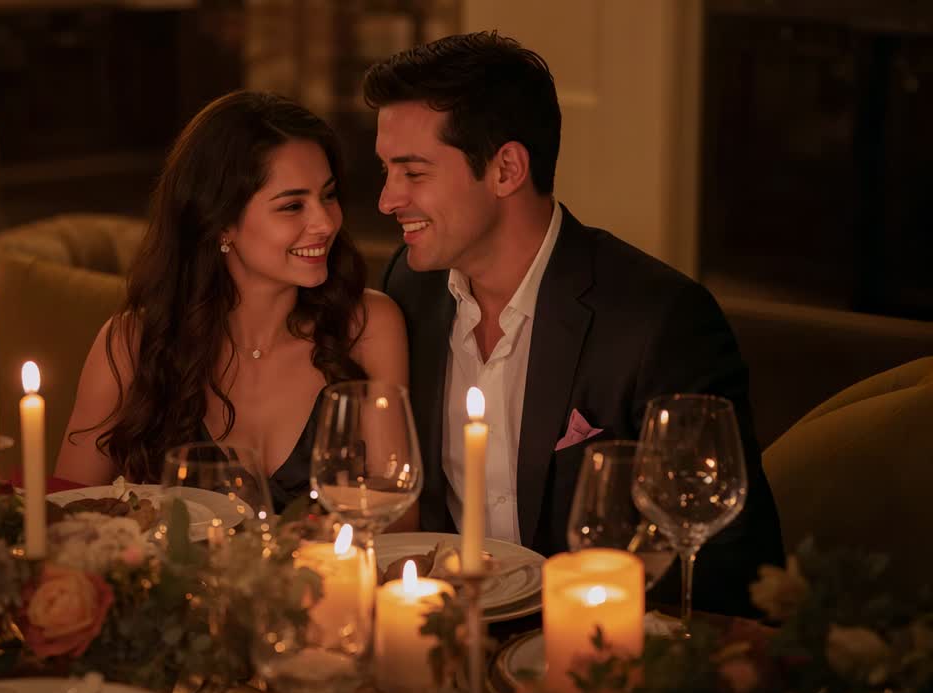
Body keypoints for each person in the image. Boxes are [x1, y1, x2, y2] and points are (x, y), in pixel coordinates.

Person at [366, 32, 783, 615]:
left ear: (507, 168)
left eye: (412, 173)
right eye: (387, 171)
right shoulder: (405, 290)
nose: (387, 199)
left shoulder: (659, 320)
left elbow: (724, 562)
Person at [55, 90, 413, 521]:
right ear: (221, 221)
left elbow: (396, 521)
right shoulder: (132, 342)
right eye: (292, 205)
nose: (324, 223)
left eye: (329, 195)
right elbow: (68, 516)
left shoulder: (368, 326)